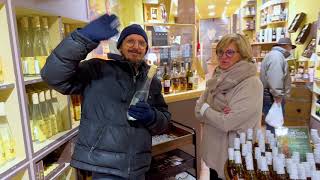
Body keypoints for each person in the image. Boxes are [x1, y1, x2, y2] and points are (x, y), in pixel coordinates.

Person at [41, 14, 171, 179]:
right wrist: (82, 39)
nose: (136, 46)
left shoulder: (152, 81)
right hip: (104, 168)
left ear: (146, 50)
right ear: (120, 46)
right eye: (130, 41)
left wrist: (152, 117)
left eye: (142, 43)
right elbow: (52, 75)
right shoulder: (97, 69)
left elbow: (164, 123)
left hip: (138, 168)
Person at [195, 33, 263, 179]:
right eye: (220, 52)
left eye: (230, 52)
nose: (223, 56)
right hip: (212, 154)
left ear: (242, 54)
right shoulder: (217, 77)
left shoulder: (251, 83)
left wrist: (207, 108)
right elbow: (197, 110)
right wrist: (218, 112)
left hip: (233, 159)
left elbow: (227, 122)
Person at [260, 38, 294, 133]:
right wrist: (278, 94)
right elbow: (275, 76)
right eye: (291, 47)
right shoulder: (277, 57)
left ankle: (272, 145)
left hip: (270, 95)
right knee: (275, 125)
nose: (291, 50)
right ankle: (274, 146)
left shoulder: (273, 55)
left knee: (272, 123)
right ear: (286, 46)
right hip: (273, 97)